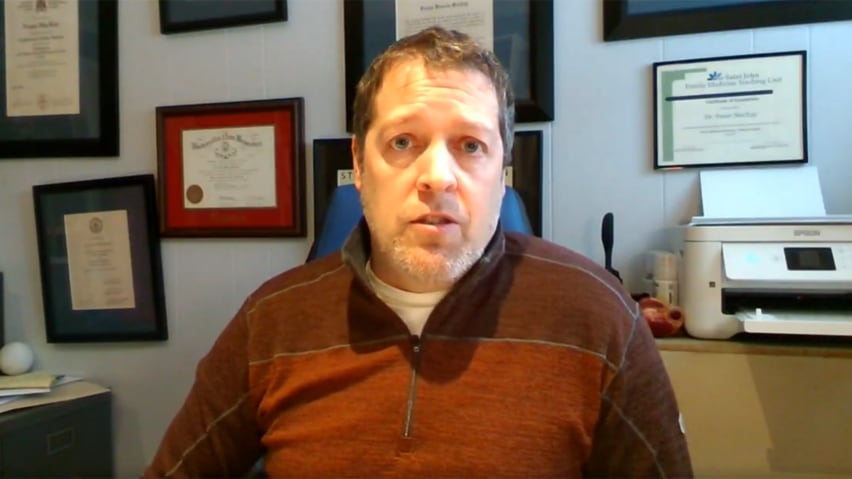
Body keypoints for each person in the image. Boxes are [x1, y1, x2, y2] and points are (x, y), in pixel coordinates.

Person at [144, 26, 692, 478]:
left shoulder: (598, 315)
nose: (436, 177)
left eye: (470, 146)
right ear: (358, 165)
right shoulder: (272, 322)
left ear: (503, 171)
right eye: (403, 142)